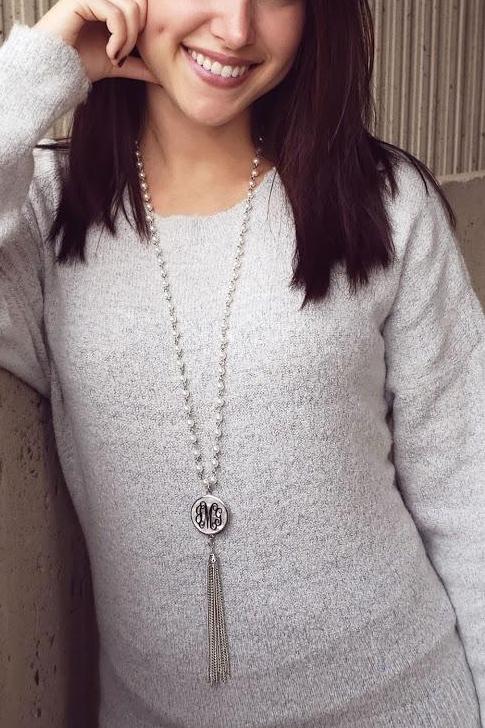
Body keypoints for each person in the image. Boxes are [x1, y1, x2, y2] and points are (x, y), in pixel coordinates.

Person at [0, 0, 483, 726]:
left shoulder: (384, 203)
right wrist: (45, 64)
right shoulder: (48, 215)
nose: (235, 28)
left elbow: (468, 490)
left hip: (409, 700)